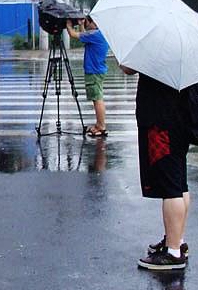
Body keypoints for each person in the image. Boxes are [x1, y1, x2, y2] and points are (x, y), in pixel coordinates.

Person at [121, 65, 189, 271]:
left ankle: (173, 253)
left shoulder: (155, 47)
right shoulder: (183, 49)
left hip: (161, 118)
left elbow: (127, 68)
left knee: (171, 187)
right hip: (180, 114)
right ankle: (176, 240)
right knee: (180, 183)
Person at [67, 15, 109, 137]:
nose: (86, 25)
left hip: (94, 71)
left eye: (87, 22)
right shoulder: (98, 34)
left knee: (97, 99)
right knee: (97, 98)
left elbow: (73, 34)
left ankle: (101, 126)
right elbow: (84, 37)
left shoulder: (95, 34)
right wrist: (81, 25)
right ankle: (99, 124)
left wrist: (68, 24)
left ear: (94, 23)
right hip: (97, 70)